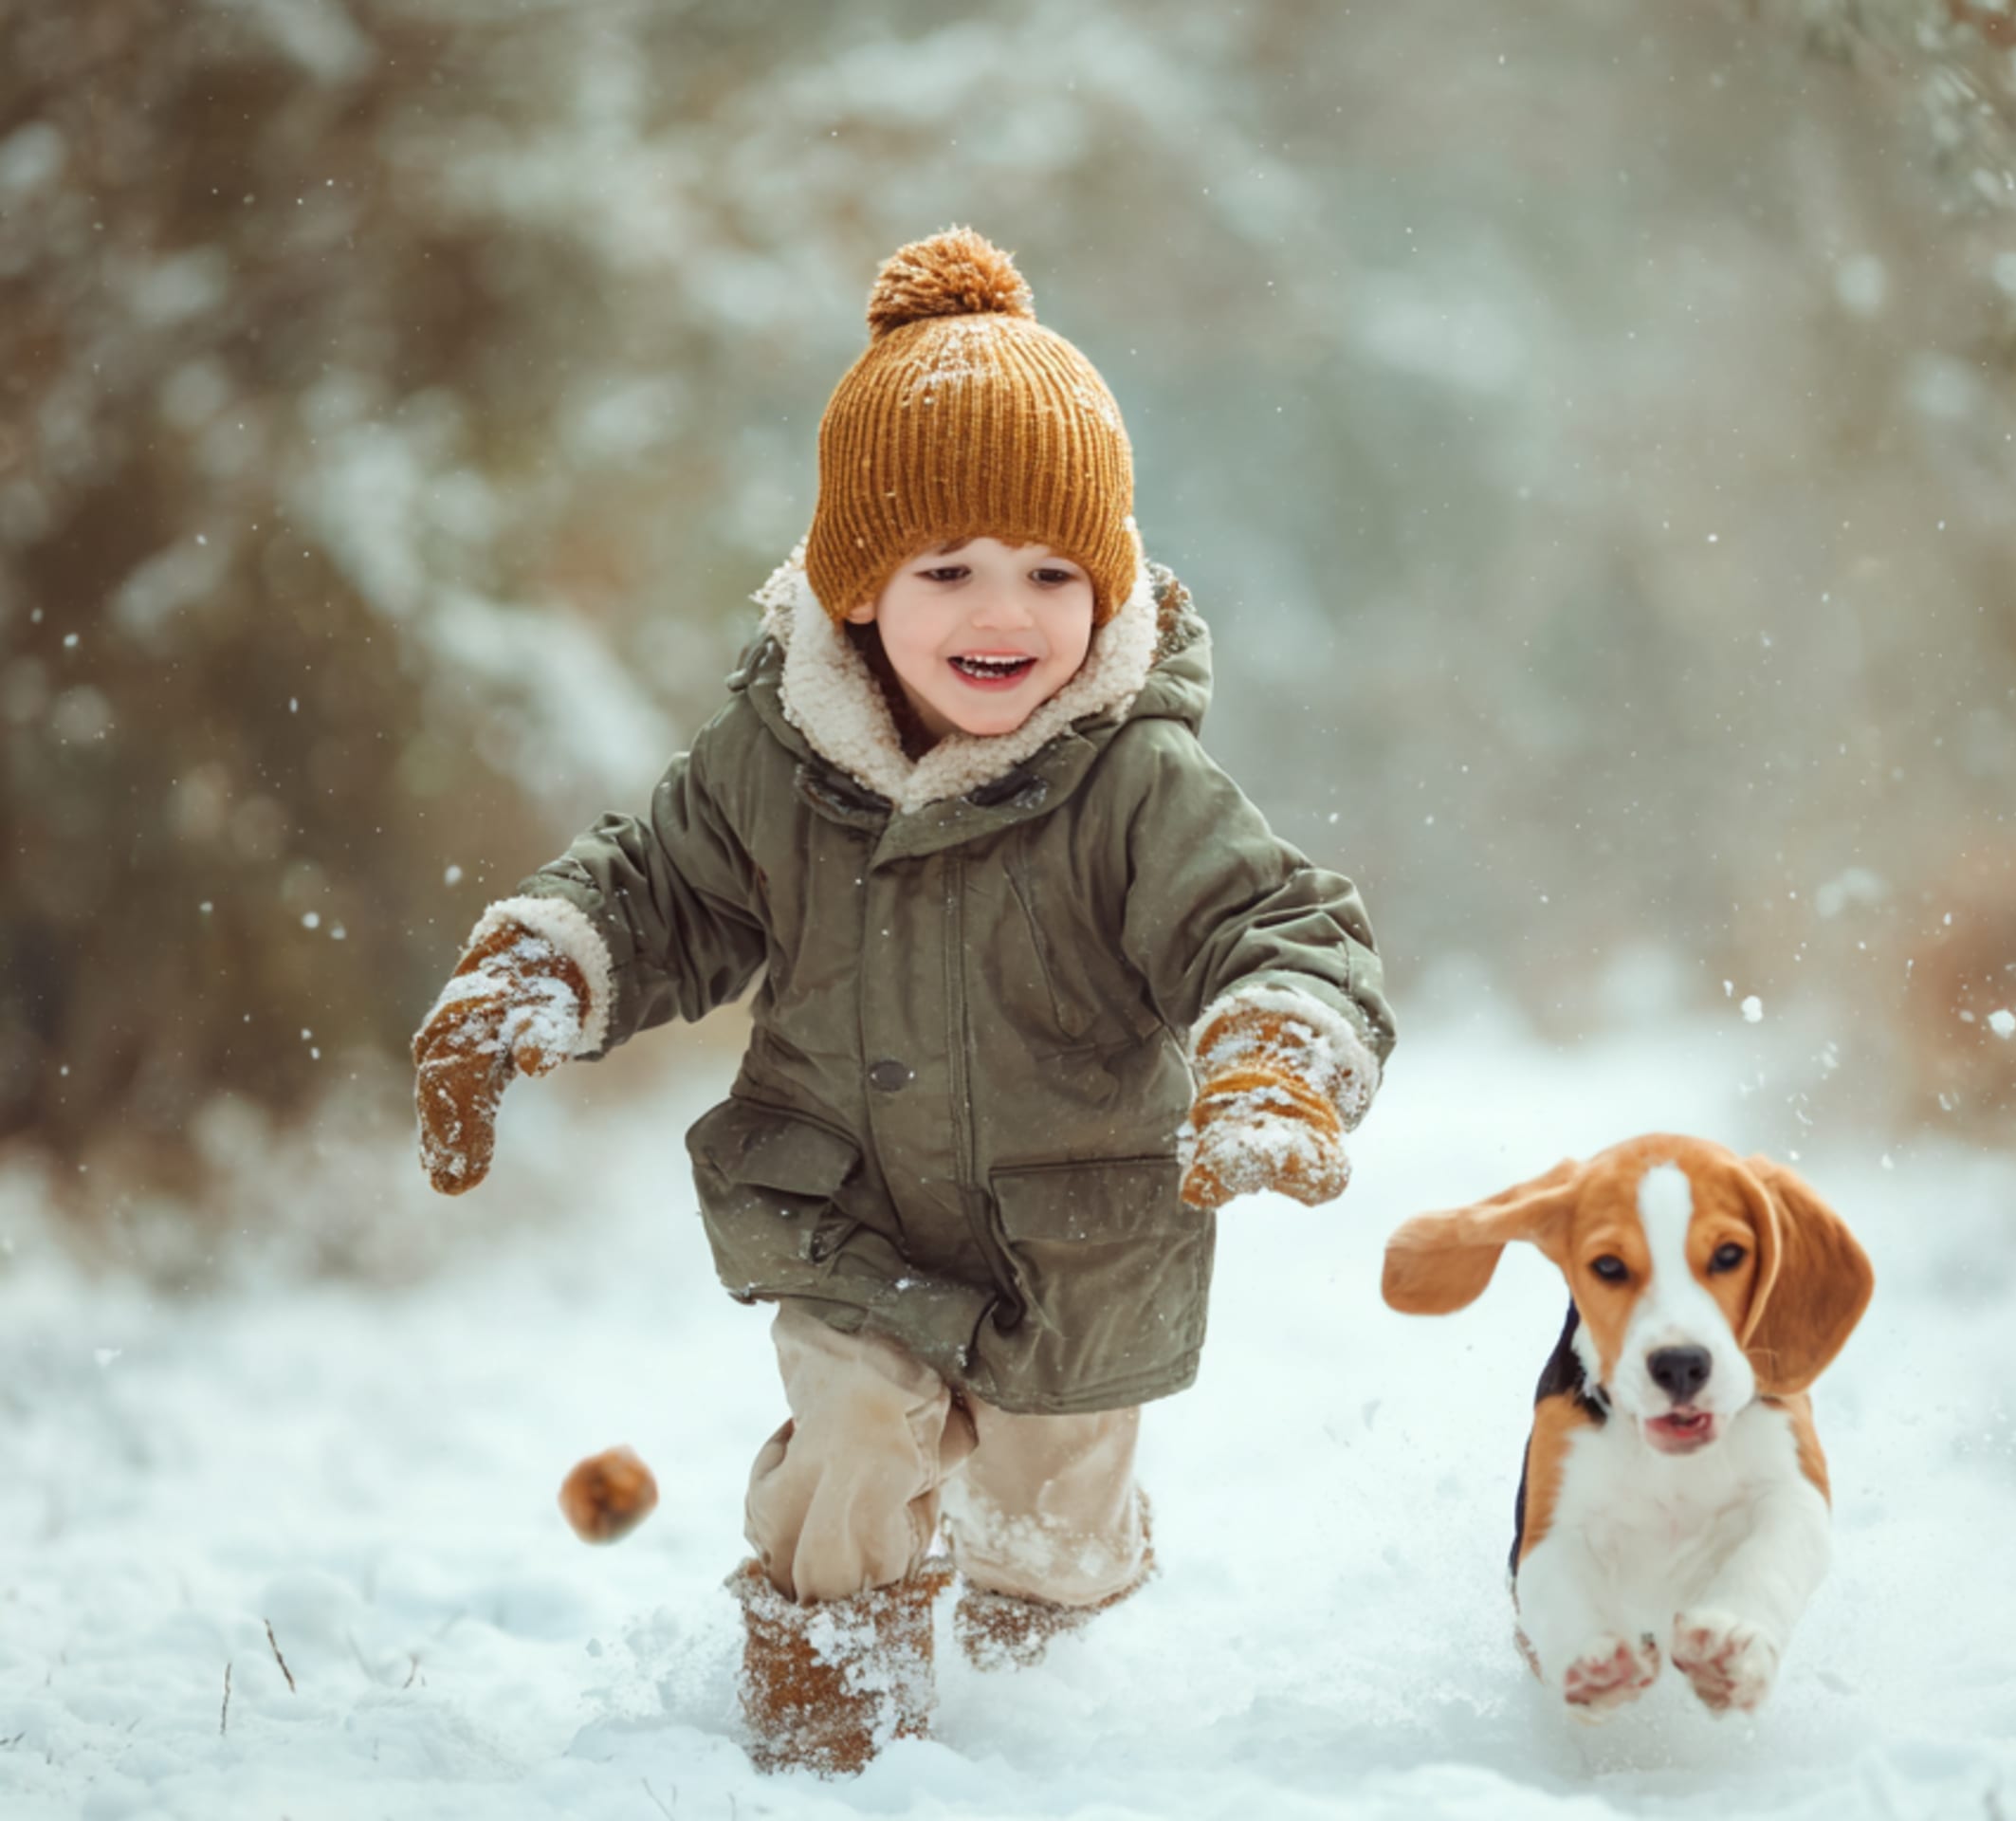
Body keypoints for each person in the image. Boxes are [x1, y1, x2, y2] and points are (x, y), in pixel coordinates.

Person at [410, 228, 1394, 1775]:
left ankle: (1033, 1691)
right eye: (948, 570)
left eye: (1054, 573)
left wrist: (1272, 1052)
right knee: (852, 1448)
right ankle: (827, 1717)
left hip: (1074, 1245)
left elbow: (1267, 926)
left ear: (1110, 587)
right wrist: (536, 972)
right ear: (862, 586)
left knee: (1043, 1528)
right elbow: (654, 890)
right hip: (842, 1207)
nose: (1003, 613)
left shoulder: (1136, 783)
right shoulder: (774, 766)